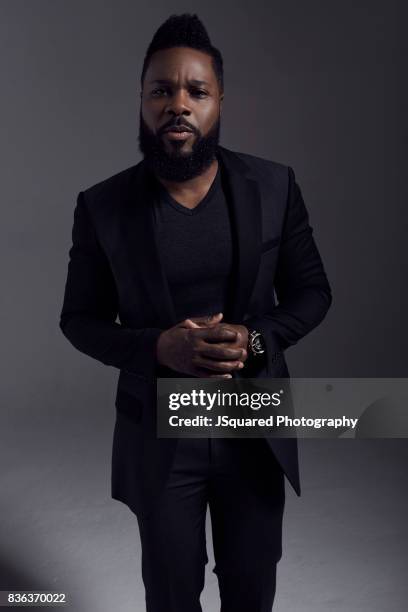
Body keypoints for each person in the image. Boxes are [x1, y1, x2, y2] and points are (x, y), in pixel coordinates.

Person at [59, 13, 332, 612]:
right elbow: (78, 319)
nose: (177, 104)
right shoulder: (102, 206)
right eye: (162, 89)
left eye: (196, 91)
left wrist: (254, 339)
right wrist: (159, 347)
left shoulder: (275, 185)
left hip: (252, 421)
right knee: (172, 593)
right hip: (160, 433)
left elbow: (313, 292)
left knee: (252, 589)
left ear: (218, 101)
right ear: (142, 99)